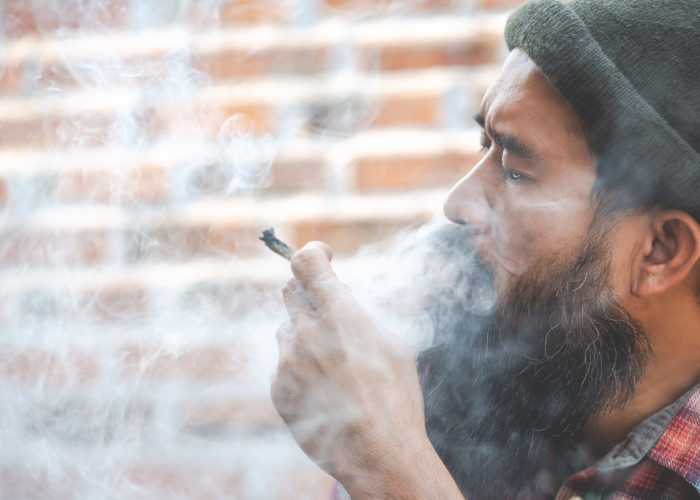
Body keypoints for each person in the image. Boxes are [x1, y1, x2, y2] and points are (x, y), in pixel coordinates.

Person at [270, 0, 700, 498]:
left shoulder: (397, 448)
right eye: (485, 148)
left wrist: (392, 467)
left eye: (517, 170)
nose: (457, 204)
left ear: (660, 251)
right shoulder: (459, 401)